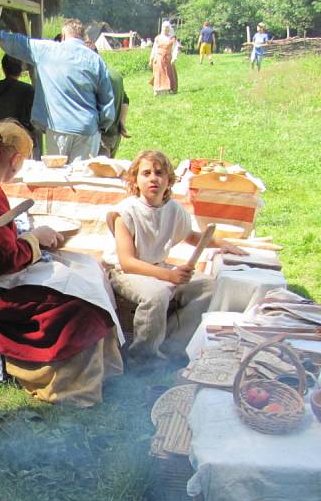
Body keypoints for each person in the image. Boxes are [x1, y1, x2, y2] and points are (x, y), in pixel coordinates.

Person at [0, 120, 123, 406]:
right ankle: (70, 385)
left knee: (85, 272)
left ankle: (96, 372)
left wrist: (25, 237)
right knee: (81, 303)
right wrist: (35, 239)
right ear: (16, 159)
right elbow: (2, 259)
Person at [105, 150, 246, 366]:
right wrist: (170, 275)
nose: (153, 178)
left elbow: (188, 235)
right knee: (157, 294)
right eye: (146, 173)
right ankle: (143, 356)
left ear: (169, 180)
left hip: (159, 267)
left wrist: (220, 243)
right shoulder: (126, 212)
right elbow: (127, 262)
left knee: (208, 286)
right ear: (135, 180)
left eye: (159, 173)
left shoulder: (172, 209)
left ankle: (173, 344)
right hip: (127, 273)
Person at [0, 18, 115, 163]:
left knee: (58, 176)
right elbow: (107, 99)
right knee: (82, 177)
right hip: (88, 129)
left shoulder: (47, 50)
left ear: (63, 35)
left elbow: (20, 44)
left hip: (57, 128)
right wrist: (102, 125)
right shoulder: (96, 60)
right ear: (82, 37)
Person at [0, 54, 37, 155]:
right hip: (20, 139)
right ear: (21, 70)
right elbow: (30, 118)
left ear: (3, 68)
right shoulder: (27, 90)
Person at [149, 21, 179, 95]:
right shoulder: (158, 38)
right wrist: (151, 59)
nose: (166, 30)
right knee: (159, 73)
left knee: (169, 74)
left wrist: (174, 58)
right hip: (159, 58)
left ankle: (169, 89)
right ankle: (158, 90)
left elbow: (175, 49)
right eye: (164, 29)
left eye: (167, 29)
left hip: (168, 58)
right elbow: (154, 49)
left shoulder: (172, 39)